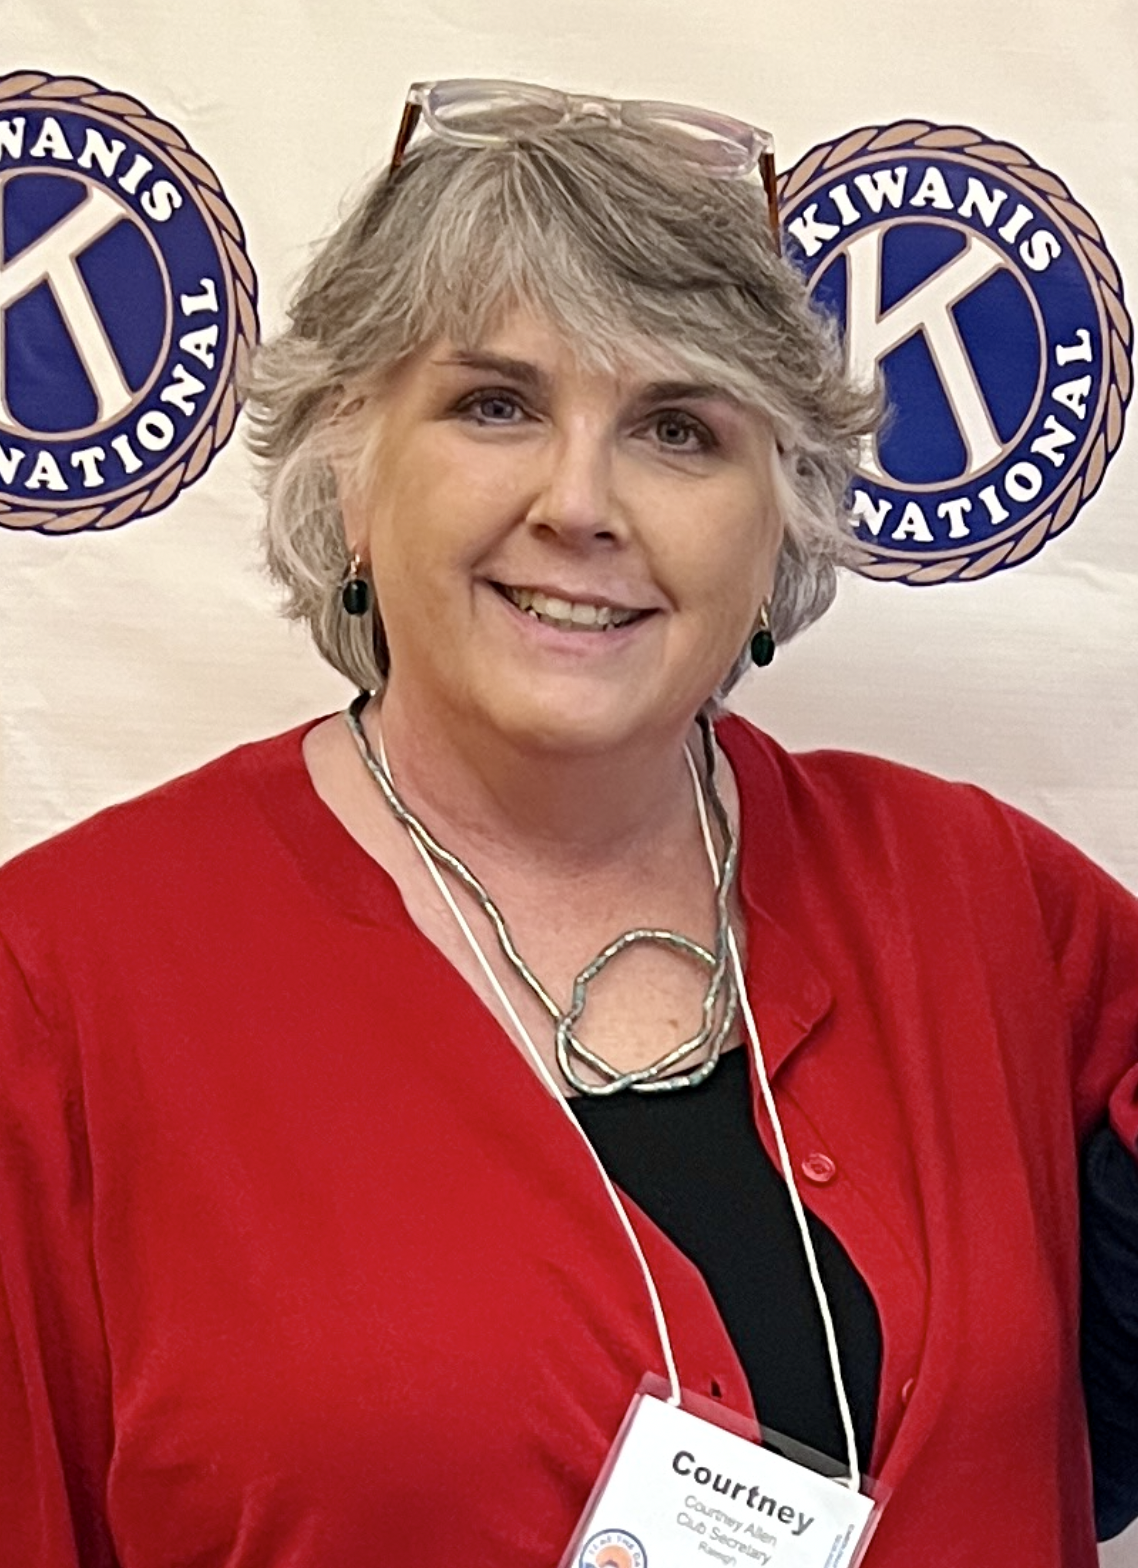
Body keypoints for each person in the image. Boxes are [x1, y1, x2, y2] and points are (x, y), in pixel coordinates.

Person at [0, 78, 1135, 1568]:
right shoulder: (59, 984)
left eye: (677, 429)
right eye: (494, 405)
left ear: (779, 518)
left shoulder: (981, 899)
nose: (580, 501)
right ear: (349, 476)